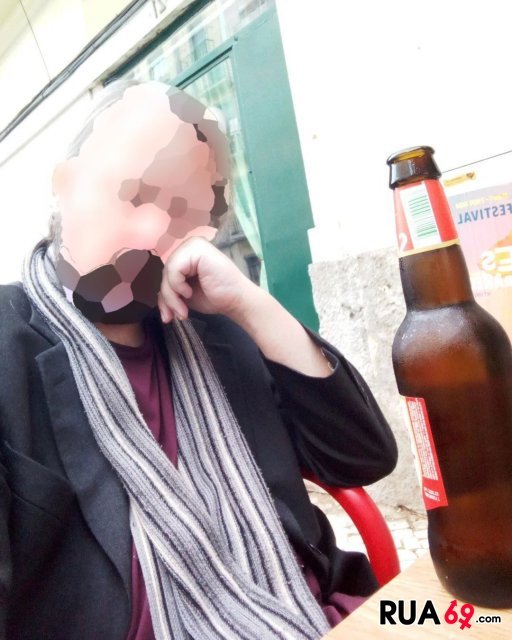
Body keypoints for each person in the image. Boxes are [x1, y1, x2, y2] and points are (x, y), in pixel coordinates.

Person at [0, 81, 397, 640]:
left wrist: (253, 305)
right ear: (65, 187)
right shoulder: (9, 344)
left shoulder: (219, 330)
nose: (152, 231)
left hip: (307, 612)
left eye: (183, 212)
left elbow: (362, 458)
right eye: (132, 194)